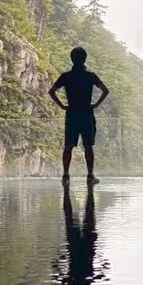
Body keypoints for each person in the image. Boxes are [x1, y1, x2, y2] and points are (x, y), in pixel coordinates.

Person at [49, 47, 109, 185]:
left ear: (72, 58)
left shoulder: (66, 76)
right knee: (88, 146)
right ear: (84, 59)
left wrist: (62, 106)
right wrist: (95, 104)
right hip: (86, 113)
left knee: (68, 146)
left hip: (72, 114)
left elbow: (51, 91)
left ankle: (65, 175)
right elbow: (105, 91)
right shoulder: (91, 76)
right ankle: (90, 175)